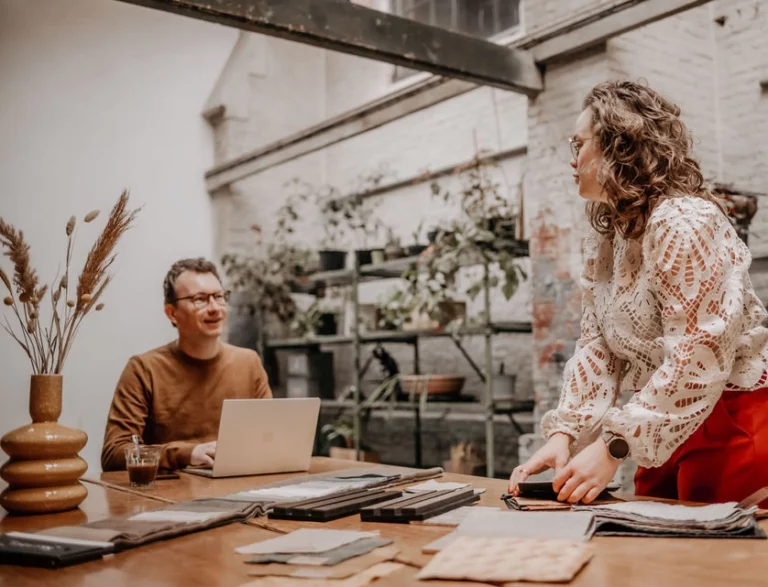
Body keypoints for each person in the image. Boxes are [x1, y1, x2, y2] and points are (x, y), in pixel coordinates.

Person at [508, 80, 768, 506]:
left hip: (729, 419)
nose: (572, 160)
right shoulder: (607, 232)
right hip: (658, 421)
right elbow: (598, 345)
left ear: (620, 146)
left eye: (580, 145)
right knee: (652, 554)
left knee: (717, 568)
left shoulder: (684, 220)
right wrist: (565, 433)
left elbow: (698, 352)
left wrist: (615, 446)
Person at [101, 257, 272, 471]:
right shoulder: (143, 369)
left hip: (240, 489)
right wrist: (186, 454)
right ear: (172, 313)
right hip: (172, 496)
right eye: (200, 299)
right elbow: (114, 453)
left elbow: (269, 440)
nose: (214, 308)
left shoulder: (249, 362)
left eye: (219, 297)